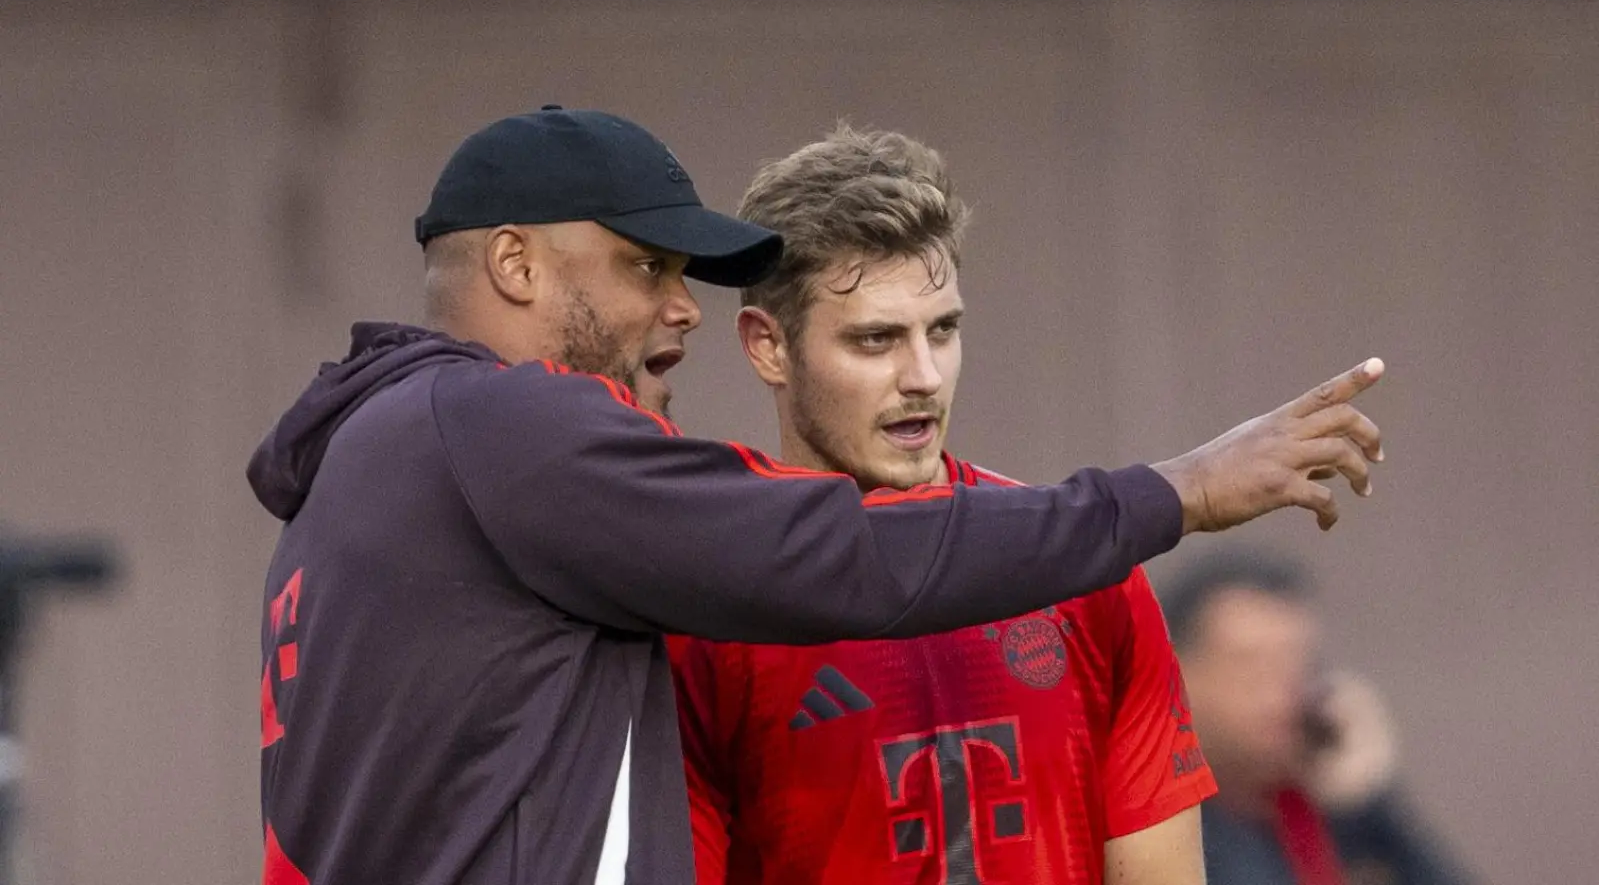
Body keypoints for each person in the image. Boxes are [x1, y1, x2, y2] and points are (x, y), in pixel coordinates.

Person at [248, 106, 1385, 885]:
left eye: (943, 331)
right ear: (515, 265)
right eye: (646, 266)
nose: (678, 305)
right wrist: (1180, 488)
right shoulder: (506, 427)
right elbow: (836, 553)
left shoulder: (370, 464)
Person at [669, 125, 1216, 885]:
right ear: (767, 346)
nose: (922, 374)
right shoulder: (705, 613)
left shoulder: (1084, 574)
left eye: (944, 330)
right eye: (875, 340)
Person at [1162, 549, 1475, 885]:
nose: (1276, 697)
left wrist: (1372, 800)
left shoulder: (1323, 806)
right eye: (1248, 668)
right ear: (1177, 673)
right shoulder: (1150, 818)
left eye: (1293, 668)